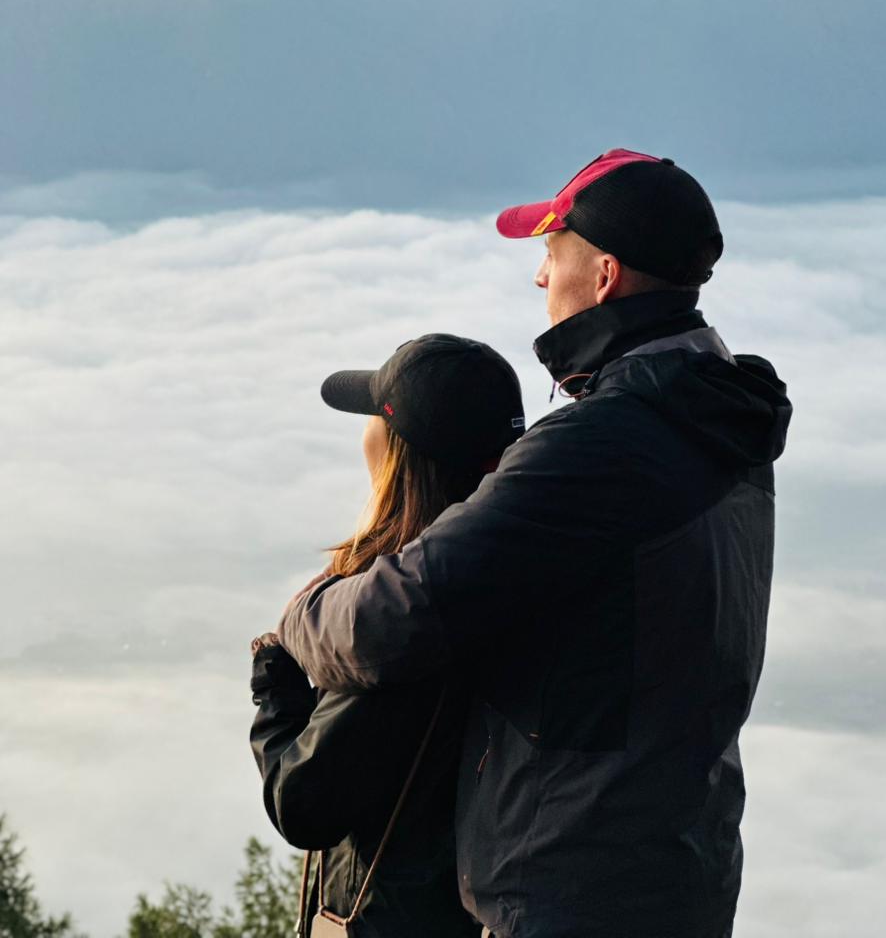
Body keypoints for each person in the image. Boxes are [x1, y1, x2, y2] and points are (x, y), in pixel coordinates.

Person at [276, 150, 793, 938]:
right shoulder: (722, 415)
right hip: (683, 869)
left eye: (551, 253)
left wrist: (299, 619)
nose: (539, 278)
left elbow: (395, 617)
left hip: (571, 891)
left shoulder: (606, 444)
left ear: (606, 276)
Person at [250, 333, 525, 937]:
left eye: (374, 417)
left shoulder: (396, 622)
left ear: (398, 451)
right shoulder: (516, 582)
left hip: (394, 918)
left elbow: (306, 805)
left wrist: (275, 686)